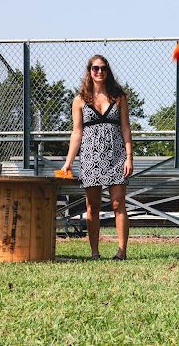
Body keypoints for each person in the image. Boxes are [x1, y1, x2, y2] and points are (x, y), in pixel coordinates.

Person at [61, 55, 133, 260]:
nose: (99, 72)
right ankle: (94, 252)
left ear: (107, 71)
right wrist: (69, 161)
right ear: (89, 71)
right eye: (95, 68)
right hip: (90, 157)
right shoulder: (80, 100)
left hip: (116, 154)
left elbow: (126, 128)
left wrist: (129, 157)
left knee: (118, 203)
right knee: (92, 206)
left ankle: (122, 251)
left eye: (103, 68)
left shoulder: (119, 97)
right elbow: (76, 133)